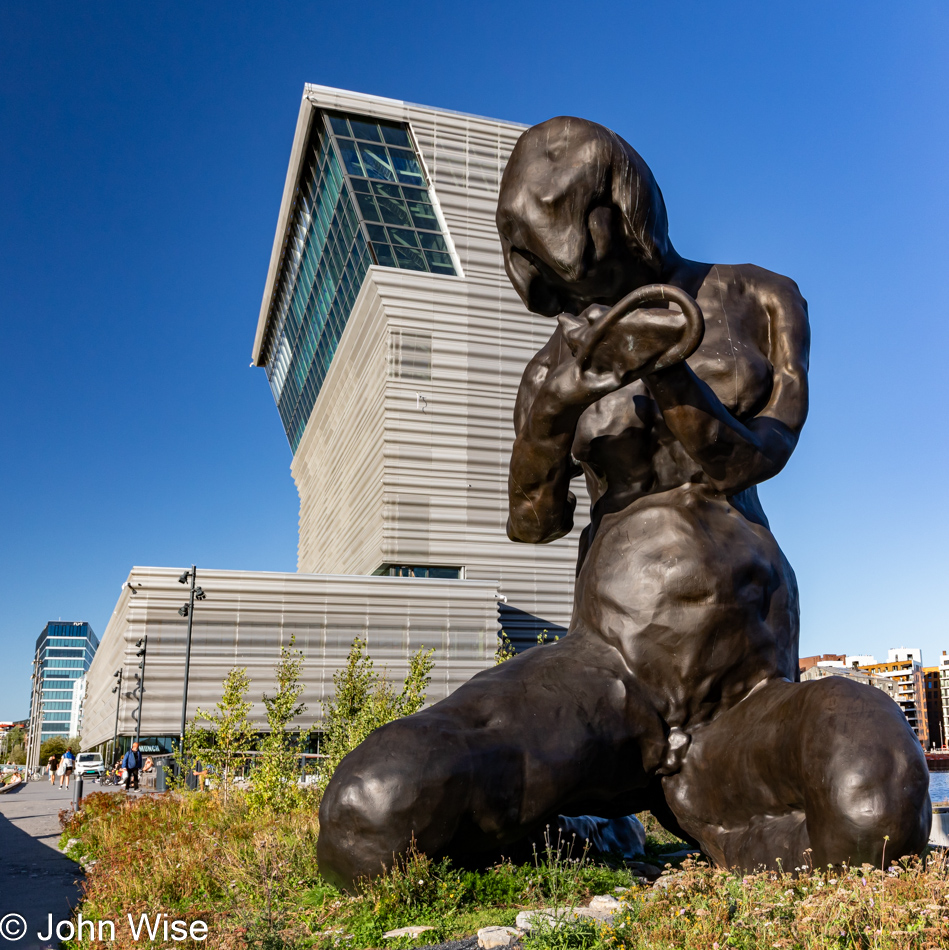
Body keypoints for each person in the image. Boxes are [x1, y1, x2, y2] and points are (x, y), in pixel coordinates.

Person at [317, 116, 930, 889]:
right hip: (602, 675)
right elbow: (533, 522)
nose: (577, 298)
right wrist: (551, 416)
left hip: (744, 692)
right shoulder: (552, 364)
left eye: (581, 264)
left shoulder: (759, 297)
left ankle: (684, 812)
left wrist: (670, 377)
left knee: (874, 797)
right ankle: (592, 827)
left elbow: (758, 457)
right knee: (372, 808)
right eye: (553, 279)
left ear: (620, 216)